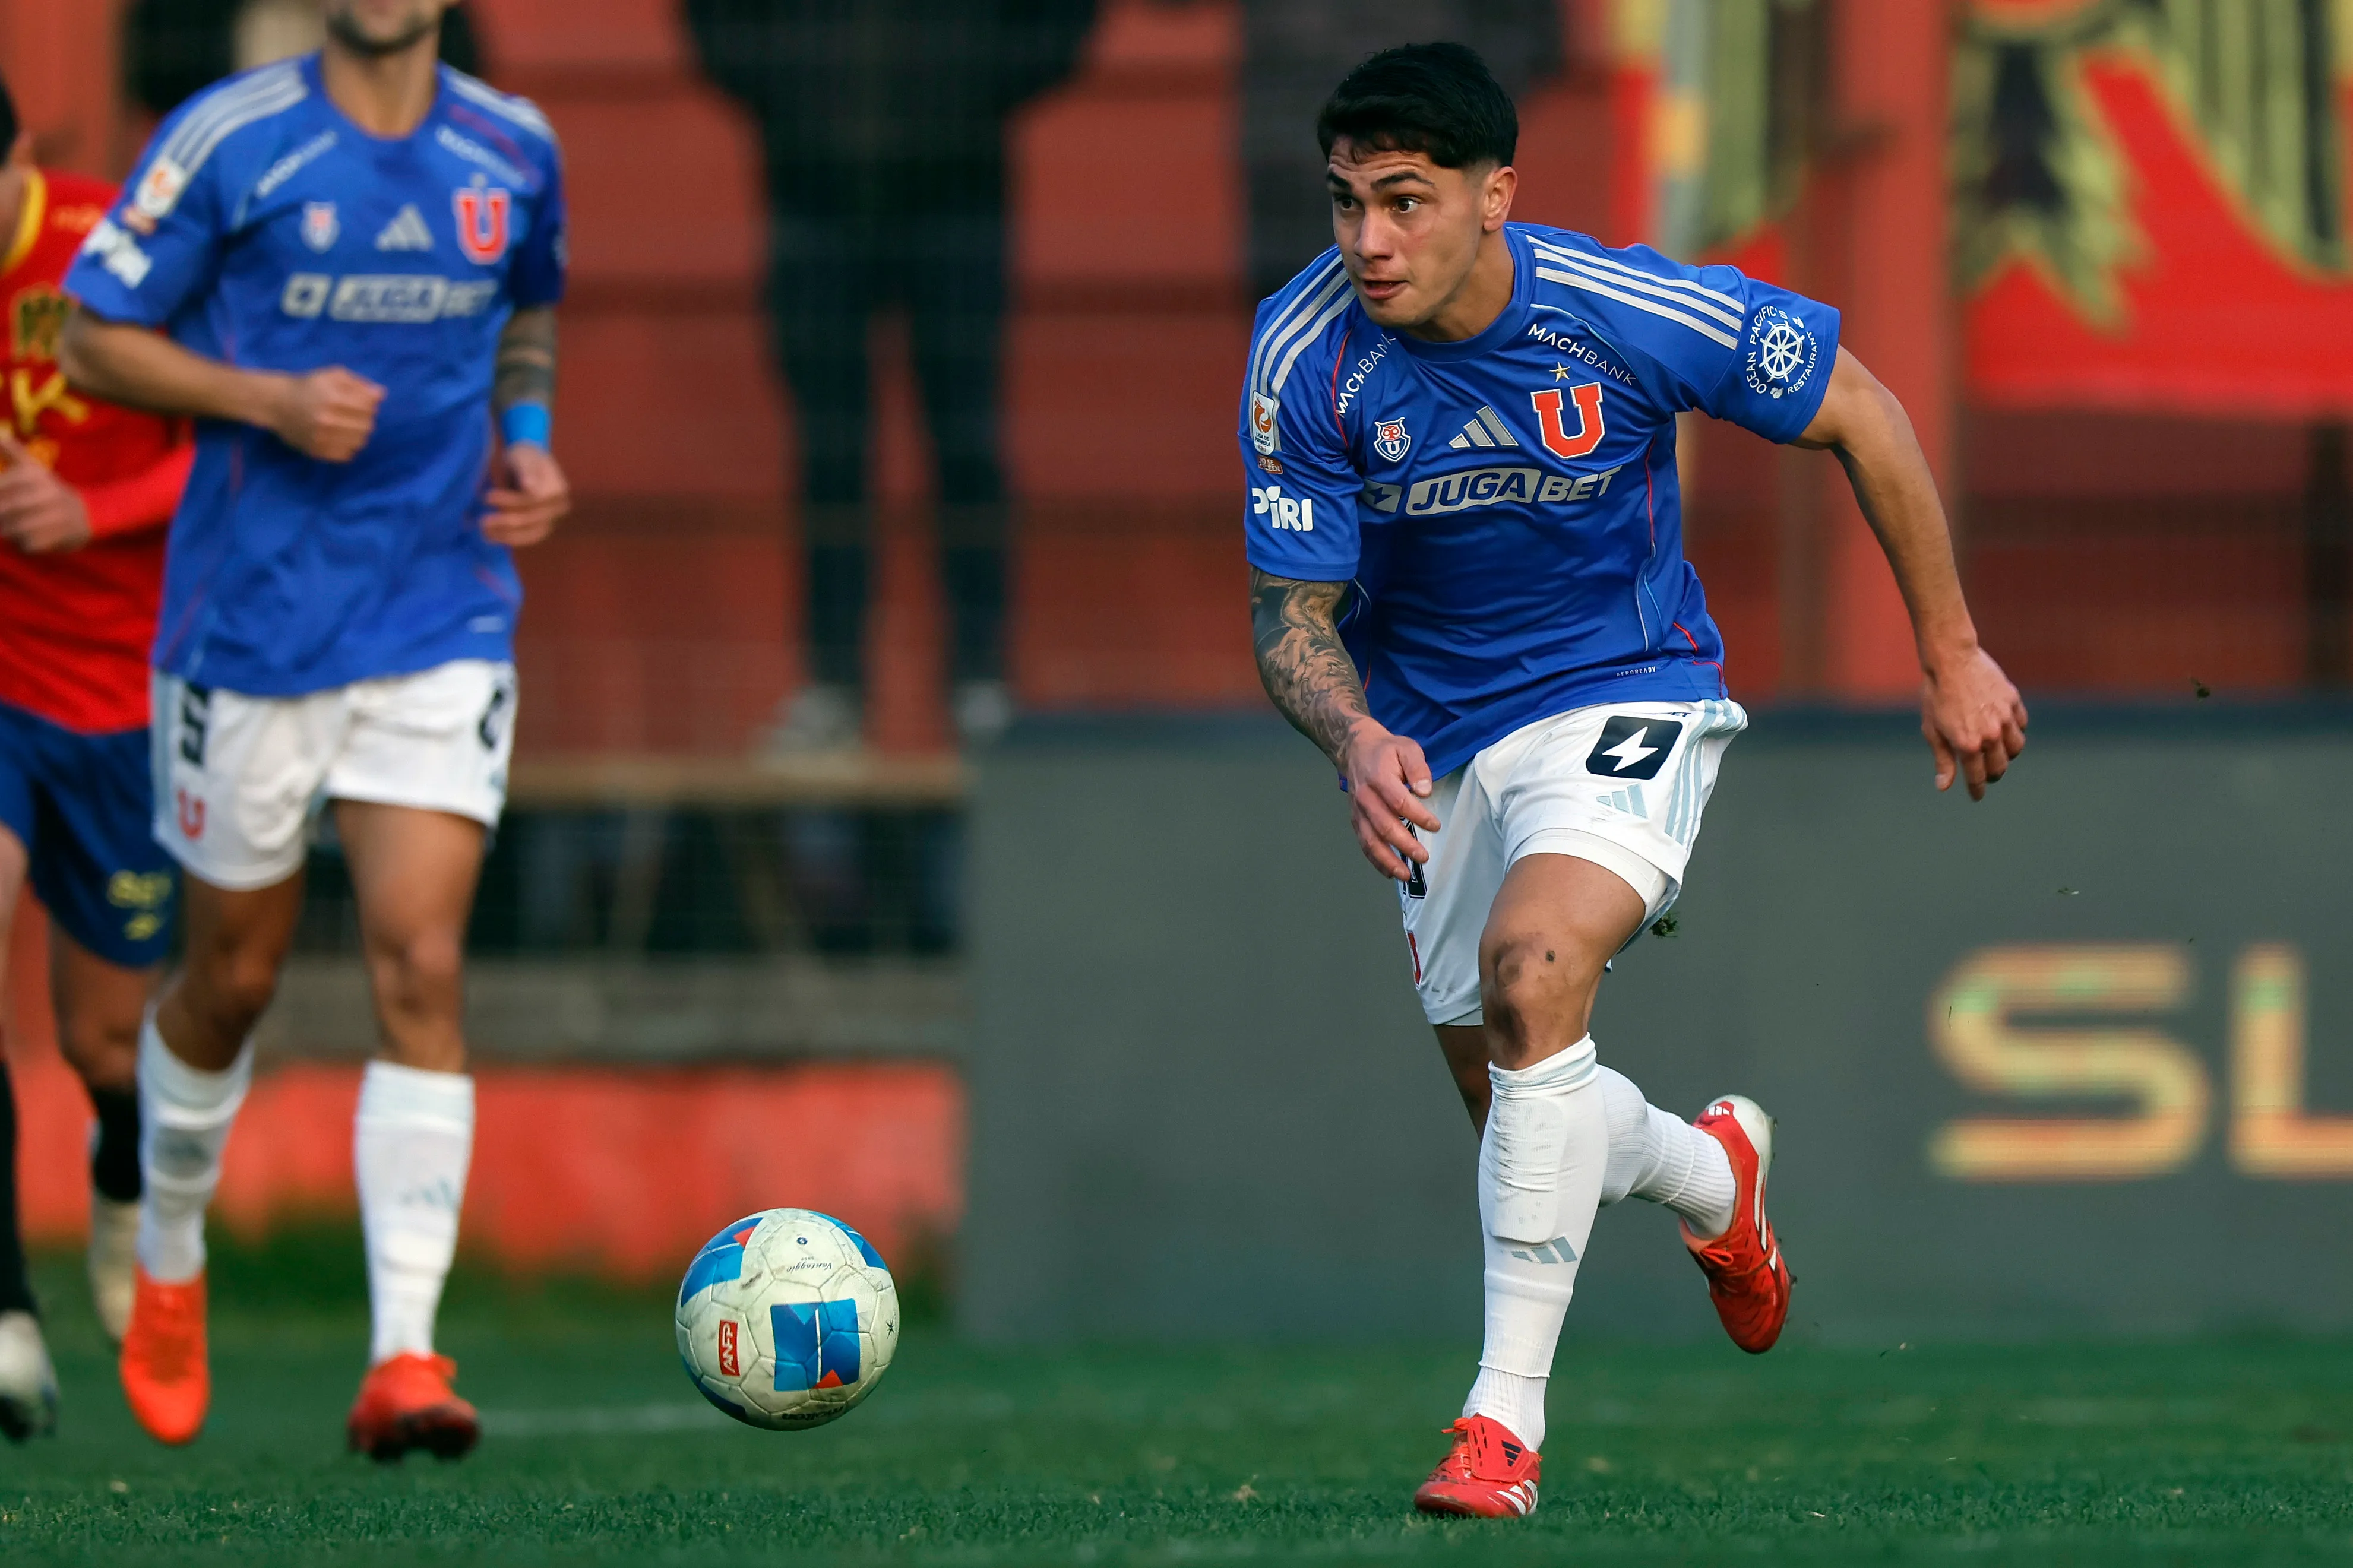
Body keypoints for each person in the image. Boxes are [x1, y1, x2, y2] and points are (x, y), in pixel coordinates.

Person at [1241, 45, 2026, 1519]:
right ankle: (1715, 1177)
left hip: (1626, 695)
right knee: (1533, 1114)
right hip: (1435, 747)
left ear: (1497, 195)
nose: (1370, 242)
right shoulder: (1305, 356)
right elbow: (1290, 619)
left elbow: (1861, 406)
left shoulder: (1620, 310)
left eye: (1406, 203)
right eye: (1347, 204)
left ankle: (1502, 1430)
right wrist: (1354, 736)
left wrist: (1955, 652)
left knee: (1533, 974)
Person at [59, 0, 570, 1457]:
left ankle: (405, 1355)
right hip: (252, 625)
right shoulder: (233, 138)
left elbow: (527, 308)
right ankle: (167, 1250)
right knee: (232, 978)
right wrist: (262, 397)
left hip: (438, 612)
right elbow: (95, 341)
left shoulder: (513, 146)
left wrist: (526, 443)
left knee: (423, 957)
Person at [681, 0, 1098, 751]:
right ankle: (834, 683)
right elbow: (713, 21)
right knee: (829, 450)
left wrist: (967, 90)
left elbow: (1062, 20)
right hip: (808, 187)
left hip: (961, 187)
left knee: (967, 441)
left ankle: (980, 678)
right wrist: (796, 95)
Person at [0, 80, 196, 1443]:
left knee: (102, 1039)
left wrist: (92, 506)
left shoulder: (115, 257)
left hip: (125, 700)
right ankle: (8, 1312)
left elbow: (230, 442)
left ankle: (126, 1190)